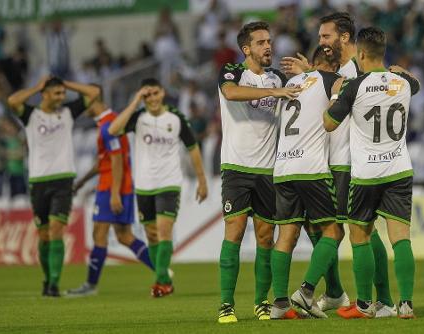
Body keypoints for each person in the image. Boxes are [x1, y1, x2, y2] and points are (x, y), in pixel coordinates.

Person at [281, 12, 395, 317]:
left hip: (348, 160)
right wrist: (310, 73)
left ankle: (381, 299)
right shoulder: (332, 71)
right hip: (322, 162)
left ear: (345, 38)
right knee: (322, 228)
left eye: (326, 36)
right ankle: (333, 292)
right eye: (320, 37)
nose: (321, 42)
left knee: (362, 231)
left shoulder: (357, 69)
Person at [323, 26, 421, 319]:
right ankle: (405, 304)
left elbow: (329, 123)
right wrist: (405, 73)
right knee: (400, 238)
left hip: (367, 174)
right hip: (399, 169)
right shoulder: (402, 83)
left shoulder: (354, 87)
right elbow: (415, 84)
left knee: (360, 236)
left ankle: (364, 304)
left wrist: (334, 95)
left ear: (361, 53)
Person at [216, 21, 301, 324]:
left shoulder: (278, 77)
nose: (268, 47)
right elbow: (230, 93)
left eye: (269, 41)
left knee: (265, 238)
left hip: (268, 170)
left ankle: (261, 303)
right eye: (262, 42)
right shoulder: (232, 71)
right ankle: (226, 304)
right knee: (235, 232)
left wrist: (306, 73)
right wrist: (275, 91)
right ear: (246, 49)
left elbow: (304, 91)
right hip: (236, 168)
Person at [108, 78, 208, 297]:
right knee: (151, 235)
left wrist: (202, 180)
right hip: (144, 185)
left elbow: (193, 149)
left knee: (164, 231)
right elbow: (113, 130)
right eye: (147, 95)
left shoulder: (176, 118)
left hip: (169, 183)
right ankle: (165, 281)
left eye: (155, 93)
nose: (152, 99)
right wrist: (135, 102)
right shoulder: (138, 118)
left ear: (162, 93)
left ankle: (160, 281)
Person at [7, 77, 100, 296]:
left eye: (62, 94)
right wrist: (37, 87)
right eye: (56, 93)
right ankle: (47, 278)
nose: (61, 97)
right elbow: (12, 101)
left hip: (63, 180)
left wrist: (66, 84)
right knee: (44, 235)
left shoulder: (67, 113)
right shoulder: (31, 115)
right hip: (39, 181)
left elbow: (93, 92)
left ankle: (54, 284)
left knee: (57, 230)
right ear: (44, 94)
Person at [269, 47, 343, 320]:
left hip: (284, 166)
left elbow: (313, 80)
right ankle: (306, 291)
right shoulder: (330, 80)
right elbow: (338, 99)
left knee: (286, 236)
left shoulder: (293, 82)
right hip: (311, 168)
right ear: (334, 65)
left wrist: (309, 71)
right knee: (333, 232)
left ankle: (279, 304)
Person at [65, 87, 155, 297]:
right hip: (117, 185)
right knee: (124, 236)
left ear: (92, 100)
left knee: (99, 233)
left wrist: (114, 192)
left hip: (111, 187)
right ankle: (162, 273)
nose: (82, 107)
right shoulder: (110, 121)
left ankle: (90, 285)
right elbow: (103, 161)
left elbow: (116, 160)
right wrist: (81, 182)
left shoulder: (108, 125)